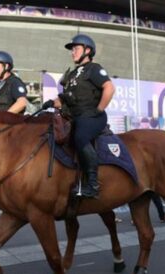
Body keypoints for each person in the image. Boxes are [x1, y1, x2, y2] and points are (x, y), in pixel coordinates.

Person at [42, 34, 115, 198]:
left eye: (76, 48)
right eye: (72, 49)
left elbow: (109, 88)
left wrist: (99, 109)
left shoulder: (94, 68)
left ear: (87, 50)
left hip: (92, 116)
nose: (72, 52)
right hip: (76, 116)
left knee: (80, 137)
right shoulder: (73, 74)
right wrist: (51, 103)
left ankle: (93, 185)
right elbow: (66, 99)